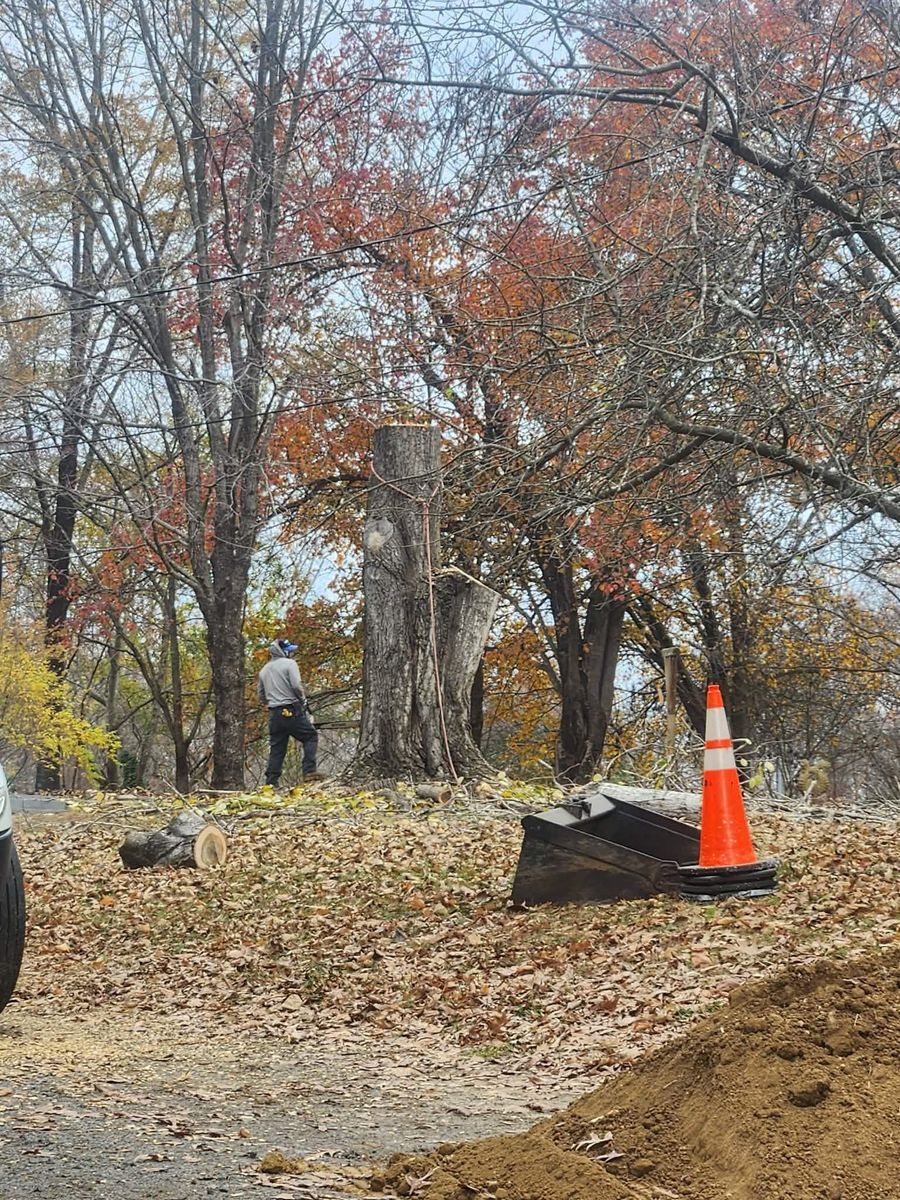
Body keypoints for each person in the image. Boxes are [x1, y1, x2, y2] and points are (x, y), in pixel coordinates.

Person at [257, 638, 322, 786]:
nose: (291, 653)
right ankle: (309, 772)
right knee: (310, 736)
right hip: (290, 709)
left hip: (274, 713)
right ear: (283, 651)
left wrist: (271, 702)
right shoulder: (290, 664)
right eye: (289, 650)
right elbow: (296, 685)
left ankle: (271, 782)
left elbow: (261, 694)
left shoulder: (264, 670)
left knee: (277, 747)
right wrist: (303, 700)